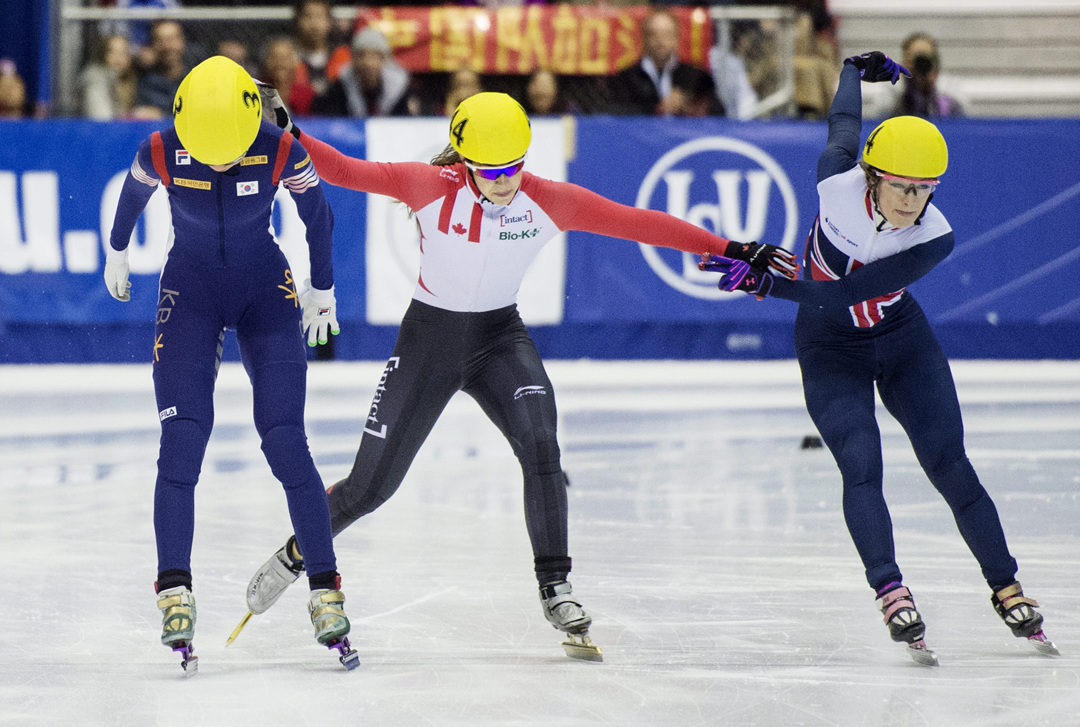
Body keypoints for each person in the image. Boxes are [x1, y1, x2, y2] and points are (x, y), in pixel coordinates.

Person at [239, 90, 798, 659]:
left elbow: (637, 223)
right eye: (492, 171)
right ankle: (295, 554)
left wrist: (732, 246)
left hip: (498, 339)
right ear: (463, 161)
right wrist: (287, 133)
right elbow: (344, 171)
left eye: (515, 168)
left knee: (541, 445)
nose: (507, 181)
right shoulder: (428, 186)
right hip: (430, 341)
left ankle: (555, 585)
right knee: (370, 488)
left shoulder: (547, 200)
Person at [698, 51, 1057, 665]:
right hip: (828, 345)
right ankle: (890, 590)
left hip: (899, 337)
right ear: (872, 176)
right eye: (901, 186)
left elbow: (848, 291)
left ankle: (1007, 586)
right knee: (862, 465)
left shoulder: (934, 236)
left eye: (924, 190)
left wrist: (768, 284)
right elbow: (843, 126)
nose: (912, 201)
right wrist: (847, 72)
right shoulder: (835, 181)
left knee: (950, 465)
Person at [104, 56, 357, 673]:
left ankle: (325, 586)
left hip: (263, 291)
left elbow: (317, 215)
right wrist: (116, 249)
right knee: (182, 439)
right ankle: (174, 587)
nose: (219, 162)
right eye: (206, 152)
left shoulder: (277, 146)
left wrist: (322, 289)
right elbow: (133, 197)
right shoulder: (162, 147)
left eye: (229, 152)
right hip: (189, 291)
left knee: (286, 441)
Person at [609, 9, 721, 116]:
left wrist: (688, 105)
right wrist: (657, 109)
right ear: (644, 38)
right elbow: (616, 112)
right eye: (654, 34)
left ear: (676, 38)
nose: (660, 41)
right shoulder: (625, 78)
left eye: (666, 34)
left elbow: (719, 112)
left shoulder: (696, 76)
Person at [313, 26, 416, 118]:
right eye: (361, 55)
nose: (367, 62)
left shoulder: (399, 89)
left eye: (374, 55)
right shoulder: (339, 87)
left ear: (384, 59)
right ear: (352, 59)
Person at [863, 33, 966, 119]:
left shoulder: (948, 87)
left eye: (925, 58)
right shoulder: (894, 88)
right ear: (905, 61)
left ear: (935, 60)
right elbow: (880, 115)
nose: (920, 64)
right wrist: (907, 86)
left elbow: (963, 118)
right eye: (915, 59)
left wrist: (931, 89)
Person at [131, 20, 189, 119]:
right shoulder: (145, 80)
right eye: (160, 40)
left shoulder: (197, 77)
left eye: (171, 39)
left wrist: (162, 115)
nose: (166, 46)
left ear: (182, 41)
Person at [80, 34, 137, 120]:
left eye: (124, 53)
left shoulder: (129, 80)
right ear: (102, 55)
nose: (118, 58)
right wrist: (133, 115)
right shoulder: (94, 80)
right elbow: (102, 120)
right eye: (112, 52)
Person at [260, 36, 317, 116]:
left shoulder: (307, 95)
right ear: (267, 61)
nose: (280, 63)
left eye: (284, 58)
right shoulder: (257, 92)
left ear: (295, 62)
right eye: (274, 57)